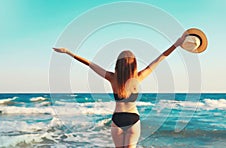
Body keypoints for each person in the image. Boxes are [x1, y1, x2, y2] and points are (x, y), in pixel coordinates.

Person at [53, 35, 185, 148]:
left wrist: (68, 52)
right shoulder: (139, 77)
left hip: (117, 119)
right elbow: (160, 58)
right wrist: (177, 44)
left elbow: (89, 63)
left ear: (118, 64)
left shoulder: (112, 78)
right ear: (134, 64)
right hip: (133, 119)